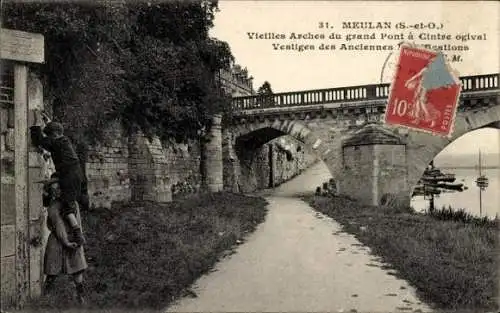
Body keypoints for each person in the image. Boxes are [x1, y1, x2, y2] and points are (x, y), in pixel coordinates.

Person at [30, 110, 85, 246]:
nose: (48, 138)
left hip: (69, 176)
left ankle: (78, 234)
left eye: (49, 136)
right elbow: (54, 132)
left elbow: (39, 141)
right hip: (74, 174)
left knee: (67, 206)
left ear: (53, 135)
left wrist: (35, 125)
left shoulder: (57, 143)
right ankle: (77, 232)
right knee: (69, 201)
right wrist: (48, 122)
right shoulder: (64, 141)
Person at [41, 174, 88, 305]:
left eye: (57, 188)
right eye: (53, 189)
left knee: (55, 269)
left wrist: (66, 241)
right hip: (73, 238)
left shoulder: (55, 206)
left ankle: (47, 298)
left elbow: (59, 226)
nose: (56, 191)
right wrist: (77, 236)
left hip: (61, 239)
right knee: (66, 268)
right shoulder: (72, 202)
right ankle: (79, 298)